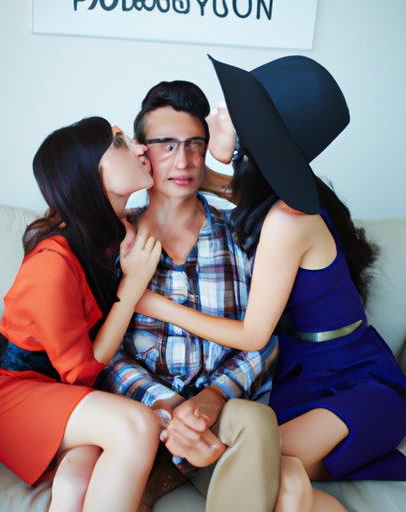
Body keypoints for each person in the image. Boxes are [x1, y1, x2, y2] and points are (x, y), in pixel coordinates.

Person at [136, 56, 406, 511]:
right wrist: (183, 172)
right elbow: (235, 190)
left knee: (263, 469)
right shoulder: (274, 196)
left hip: (355, 384)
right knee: (269, 473)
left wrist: (151, 303)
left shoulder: (288, 222)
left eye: (229, 112)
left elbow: (253, 335)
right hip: (301, 375)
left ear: (254, 135)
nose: (216, 116)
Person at [100, 80, 281, 511]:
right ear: (141, 152)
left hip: (218, 413)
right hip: (139, 414)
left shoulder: (245, 233)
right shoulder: (114, 238)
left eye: (194, 145)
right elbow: (103, 346)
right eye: (166, 145)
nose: (183, 161)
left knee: (257, 421)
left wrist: (210, 399)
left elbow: (266, 334)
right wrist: (165, 404)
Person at [0, 116, 163, 512]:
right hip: (11, 397)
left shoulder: (113, 233)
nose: (140, 147)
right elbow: (81, 371)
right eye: (119, 142)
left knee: (78, 481)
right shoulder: (52, 262)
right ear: (89, 172)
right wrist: (132, 286)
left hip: (66, 396)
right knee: (138, 425)